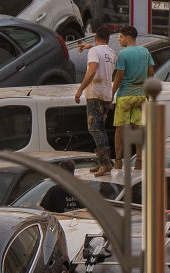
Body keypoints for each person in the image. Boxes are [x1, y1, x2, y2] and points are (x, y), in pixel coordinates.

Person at [75, 27, 117, 176]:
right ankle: (105, 162)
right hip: (106, 94)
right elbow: (101, 52)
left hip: (95, 93)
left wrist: (80, 89)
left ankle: (104, 164)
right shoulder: (112, 53)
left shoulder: (95, 52)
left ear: (95, 38)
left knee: (94, 128)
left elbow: (92, 70)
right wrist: (90, 46)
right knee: (100, 128)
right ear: (108, 39)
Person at [110, 26, 154, 169]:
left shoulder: (123, 54)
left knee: (120, 129)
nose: (120, 40)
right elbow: (151, 74)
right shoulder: (145, 52)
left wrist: (111, 94)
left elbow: (119, 76)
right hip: (141, 95)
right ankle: (139, 161)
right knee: (138, 128)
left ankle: (118, 160)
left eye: (121, 37)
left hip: (125, 95)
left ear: (128, 37)